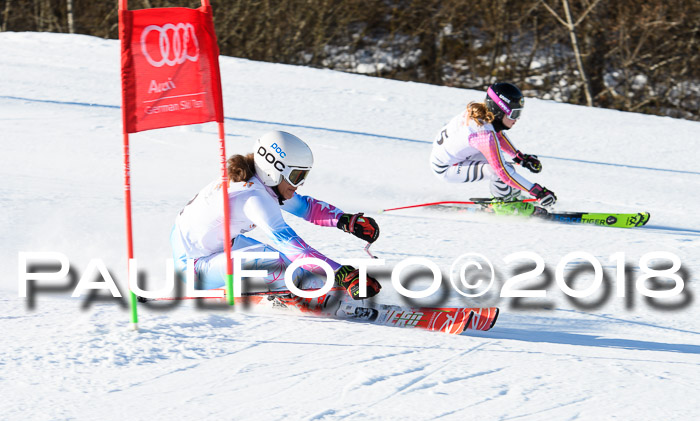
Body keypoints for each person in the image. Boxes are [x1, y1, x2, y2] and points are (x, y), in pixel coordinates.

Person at [171, 130, 381, 299]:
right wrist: (340, 274)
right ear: (274, 169)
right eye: (297, 175)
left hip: (206, 246)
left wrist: (346, 221)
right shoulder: (253, 196)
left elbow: (305, 207)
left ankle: (303, 289)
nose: (300, 184)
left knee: (281, 261)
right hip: (194, 266)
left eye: (304, 175)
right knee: (276, 262)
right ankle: (305, 297)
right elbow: (289, 243)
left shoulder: (260, 181)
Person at [429, 82, 557, 215]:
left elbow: (498, 135)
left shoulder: (483, 113)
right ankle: (505, 205)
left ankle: (512, 198)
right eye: (514, 114)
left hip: (452, 156)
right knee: (499, 171)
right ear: (500, 111)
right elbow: (503, 172)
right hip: (446, 168)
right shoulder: (483, 134)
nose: (517, 119)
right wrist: (538, 192)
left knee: (504, 165)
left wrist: (519, 157)